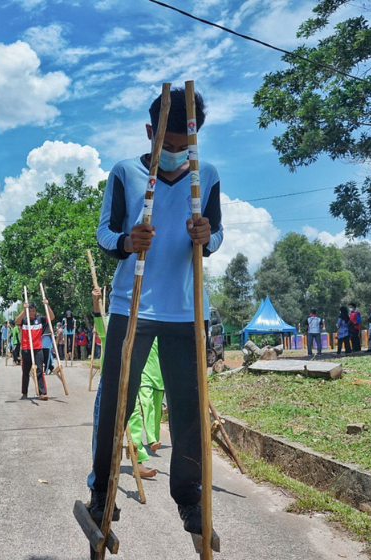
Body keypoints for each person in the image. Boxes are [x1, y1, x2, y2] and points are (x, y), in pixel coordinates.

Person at [87, 87, 223, 536]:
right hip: (133, 306)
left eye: (185, 147)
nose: (175, 155)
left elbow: (217, 236)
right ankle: (102, 494)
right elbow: (105, 233)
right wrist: (129, 242)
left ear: (197, 138)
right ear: (151, 132)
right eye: (167, 146)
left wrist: (206, 235)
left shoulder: (209, 176)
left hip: (187, 309)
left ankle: (189, 500)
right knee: (116, 404)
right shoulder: (126, 173)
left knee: (188, 411)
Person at [126, 338, 163, 479]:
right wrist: (98, 316)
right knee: (106, 431)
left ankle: (138, 464)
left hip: (155, 378)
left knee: (134, 417)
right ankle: (101, 470)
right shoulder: (119, 318)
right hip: (120, 375)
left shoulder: (156, 327)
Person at [17, 300, 53, 400]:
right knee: (26, 371)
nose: (32, 313)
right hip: (26, 348)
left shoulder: (40, 319)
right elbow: (16, 321)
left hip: (37, 348)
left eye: (33, 311)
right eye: (30, 311)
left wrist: (47, 305)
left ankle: (42, 393)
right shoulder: (24, 321)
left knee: (39, 370)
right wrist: (24, 311)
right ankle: (24, 393)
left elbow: (51, 317)